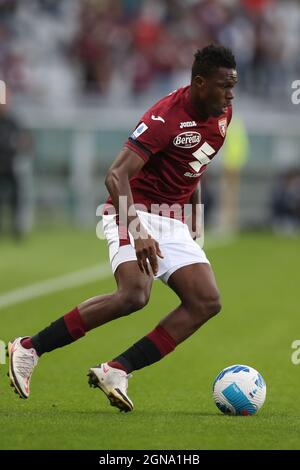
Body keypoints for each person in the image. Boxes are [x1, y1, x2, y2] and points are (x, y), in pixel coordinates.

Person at [8, 44, 238, 412]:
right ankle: (30, 348)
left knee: (206, 301)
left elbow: (194, 166)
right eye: (224, 86)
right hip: (131, 206)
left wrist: (194, 219)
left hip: (173, 217)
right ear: (199, 83)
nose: (230, 94)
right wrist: (139, 229)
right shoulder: (164, 119)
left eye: (233, 86)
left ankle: (117, 370)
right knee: (134, 294)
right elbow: (115, 176)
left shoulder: (222, 113)